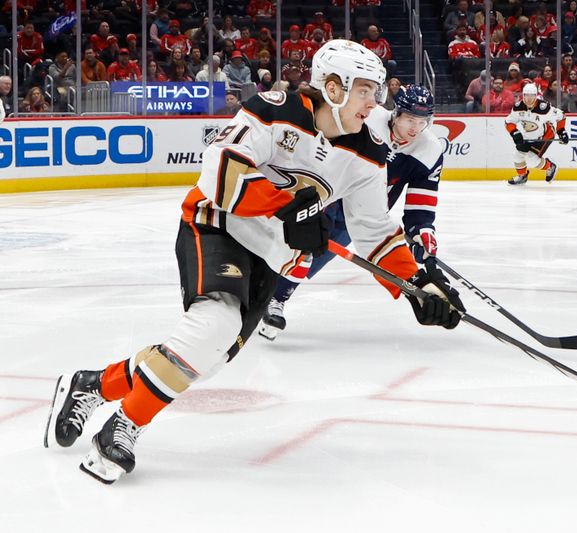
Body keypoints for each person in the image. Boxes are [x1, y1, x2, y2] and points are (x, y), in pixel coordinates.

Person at [43, 40, 464, 484]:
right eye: (365, 90)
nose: (373, 103)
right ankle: (124, 425)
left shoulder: (368, 154)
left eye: (375, 92)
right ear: (334, 87)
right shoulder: (276, 108)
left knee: (206, 357)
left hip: (271, 258)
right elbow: (220, 170)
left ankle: (93, 384)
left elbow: (375, 231)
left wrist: (418, 285)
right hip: (216, 225)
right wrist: (288, 205)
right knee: (212, 327)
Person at [258, 85, 448, 340]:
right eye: (410, 119)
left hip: (362, 213)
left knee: (313, 259)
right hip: (330, 197)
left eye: (422, 122)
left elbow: (421, 204)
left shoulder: (430, 150)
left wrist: (424, 243)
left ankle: (273, 295)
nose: (415, 128)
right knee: (299, 249)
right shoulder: (370, 118)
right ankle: (272, 299)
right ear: (396, 114)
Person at [505, 83, 568, 185]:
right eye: (526, 95)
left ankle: (551, 167)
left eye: (532, 95)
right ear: (523, 95)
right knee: (517, 155)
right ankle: (522, 176)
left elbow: (561, 115)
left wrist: (561, 131)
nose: (529, 98)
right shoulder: (518, 107)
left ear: (536, 96)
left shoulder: (544, 108)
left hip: (545, 135)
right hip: (528, 135)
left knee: (531, 159)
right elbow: (509, 122)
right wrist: (514, 132)